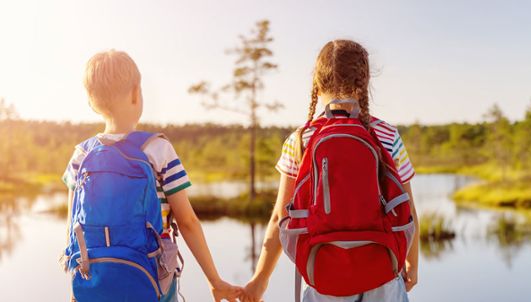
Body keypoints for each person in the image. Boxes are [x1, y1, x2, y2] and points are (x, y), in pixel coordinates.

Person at [242, 40, 419, 302]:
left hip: (322, 277)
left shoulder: (300, 139)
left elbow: (280, 216)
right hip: (383, 274)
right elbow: (409, 211)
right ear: (365, 80)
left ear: (317, 82)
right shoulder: (387, 135)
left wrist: (260, 280)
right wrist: (411, 263)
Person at [61, 50, 242, 302]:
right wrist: (214, 281)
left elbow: (73, 227)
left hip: (93, 278)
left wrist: (72, 289)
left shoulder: (80, 155)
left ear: (91, 102)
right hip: (152, 277)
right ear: (136, 94)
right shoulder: (156, 149)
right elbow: (187, 221)